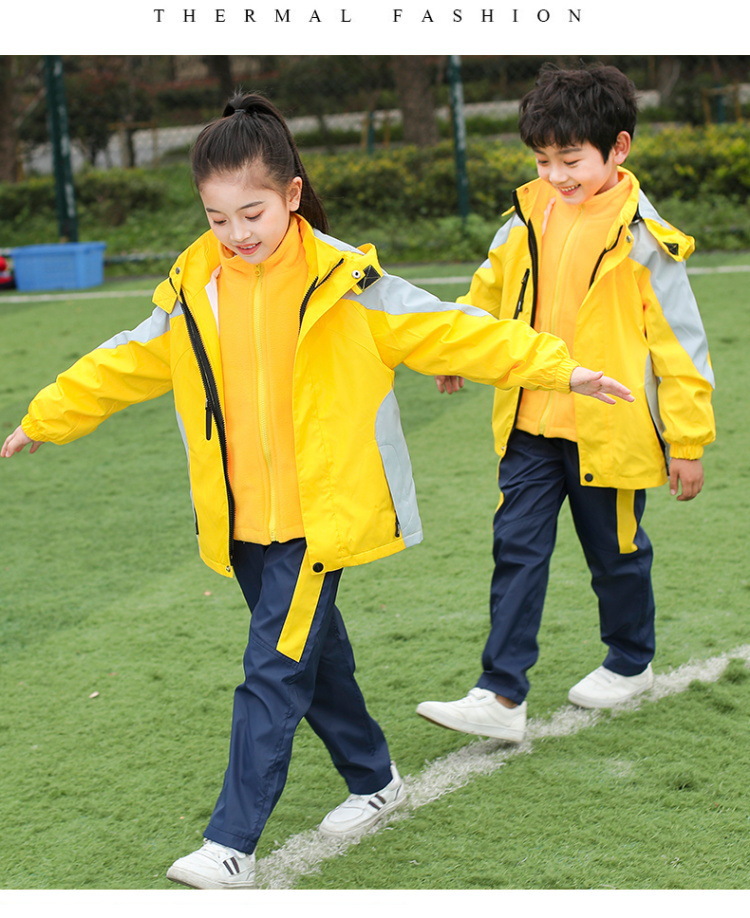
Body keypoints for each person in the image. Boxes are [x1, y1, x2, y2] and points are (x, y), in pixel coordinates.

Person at [1, 92, 632, 890]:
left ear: (291, 194)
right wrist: (44, 418)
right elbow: (122, 362)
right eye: (217, 217)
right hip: (241, 525)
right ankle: (374, 779)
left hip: (316, 521)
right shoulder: (198, 290)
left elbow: (453, 329)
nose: (237, 234)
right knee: (312, 660)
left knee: (271, 669)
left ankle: (230, 842)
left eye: (253, 212)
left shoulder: (349, 282)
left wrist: (559, 366)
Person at [417, 64, 715, 744]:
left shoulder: (646, 238)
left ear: (618, 148)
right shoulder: (525, 217)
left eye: (570, 159)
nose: (554, 174)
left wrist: (687, 442)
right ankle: (500, 693)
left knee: (615, 554)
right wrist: (457, 350)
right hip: (529, 420)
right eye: (542, 159)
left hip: (607, 430)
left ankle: (631, 659)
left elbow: (681, 347)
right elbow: (487, 293)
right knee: (515, 549)